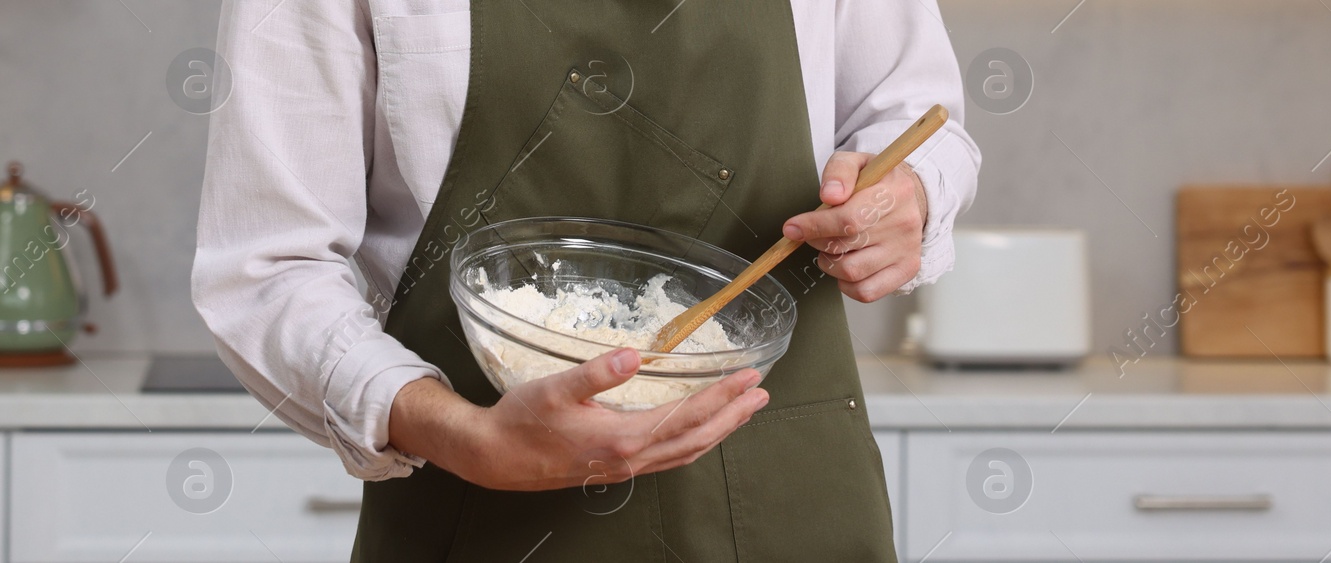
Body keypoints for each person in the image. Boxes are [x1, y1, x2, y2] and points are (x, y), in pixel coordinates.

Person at [193, 1, 979, 560]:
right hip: (480, 509)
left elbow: (916, 117)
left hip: (790, 495)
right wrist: (458, 432)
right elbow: (270, 267)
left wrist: (905, 194)